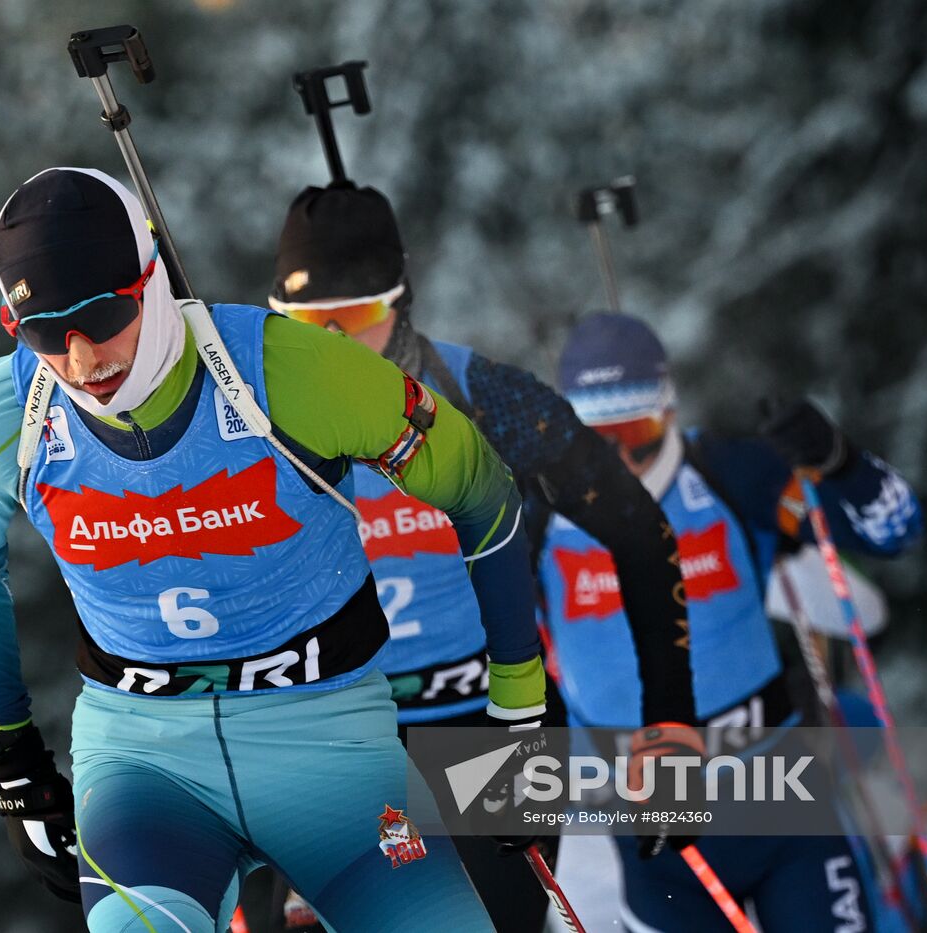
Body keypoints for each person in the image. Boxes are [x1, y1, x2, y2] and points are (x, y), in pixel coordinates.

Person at [0, 166, 553, 933]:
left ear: (151, 279)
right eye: (48, 333)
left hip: (328, 748)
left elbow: (482, 489)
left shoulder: (292, 371)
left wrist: (519, 704)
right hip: (144, 765)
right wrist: (15, 765)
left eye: (105, 314)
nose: (84, 361)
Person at [251, 182, 701, 932]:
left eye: (353, 317)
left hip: (495, 727)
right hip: (344, 743)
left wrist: (671, 721)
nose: (328, 342)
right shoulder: (251, 415)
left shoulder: (481, 396)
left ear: (400, 302)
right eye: (304, 322)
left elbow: (639, 529)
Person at [539, 311, 925, 932]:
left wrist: (841, 462)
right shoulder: (536, 512)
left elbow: (896, 530)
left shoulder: (732, 474)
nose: (621, 461)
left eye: (635, 429)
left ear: (667, 408)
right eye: (595, 437)